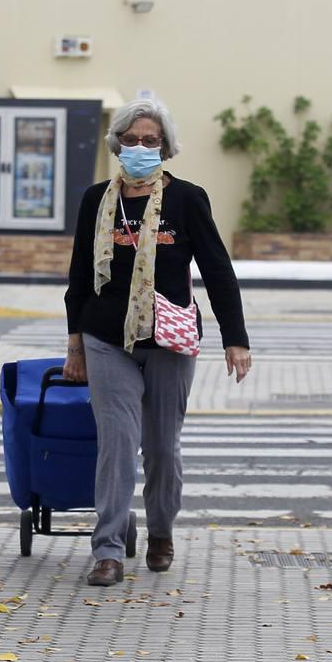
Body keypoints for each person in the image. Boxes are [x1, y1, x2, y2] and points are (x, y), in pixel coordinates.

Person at [64, 99, 251, 588]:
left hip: (169, 339)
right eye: (132, 139)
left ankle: (161, 532)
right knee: (117, 445)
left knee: (163, 447)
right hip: (106, 338)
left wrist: (236, 339)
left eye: (151, 140)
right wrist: (75, 344)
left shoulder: (188, 199)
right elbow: (79, 277)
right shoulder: (96, 201)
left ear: (165, 147)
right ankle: (107, 549)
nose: (141, 147)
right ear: (117, 143)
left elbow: (217, 270)